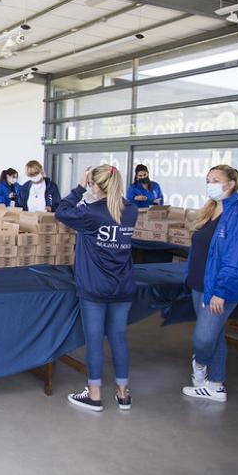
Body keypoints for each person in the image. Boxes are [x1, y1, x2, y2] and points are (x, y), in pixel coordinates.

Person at [56, 164, 138, 412]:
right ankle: (123, 394)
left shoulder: (90, 214)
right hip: (122, 286)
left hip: (94, 287)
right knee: (119, 338)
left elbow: (61, 211)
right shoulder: (131, 210)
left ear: (93, 185)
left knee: (94, 341)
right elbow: (115, 203)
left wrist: (80, 187)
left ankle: (94, 395)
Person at [182, 165, 238, 403]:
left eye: (215, 180)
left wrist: (221, 293)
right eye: (208, 180)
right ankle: (215, 385)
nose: (210, 184)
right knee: (214, 335)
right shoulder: (212, 209)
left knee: (203, 339)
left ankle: (200, 365)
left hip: (218, 290)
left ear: (231, 183)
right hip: (200, 285)